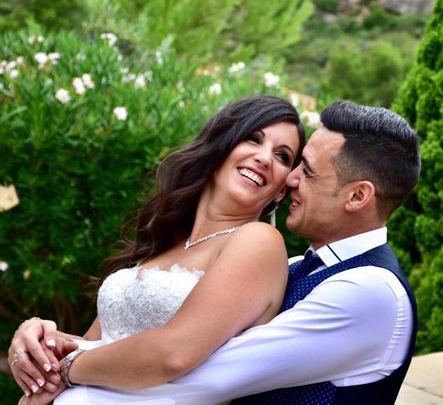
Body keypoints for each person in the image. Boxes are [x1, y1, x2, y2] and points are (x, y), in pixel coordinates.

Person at [10, 100, 420, 405]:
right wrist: (36, 343)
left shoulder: (368, 291)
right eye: (254, 139)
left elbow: (195, 370)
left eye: (300, 166)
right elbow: (122, 345)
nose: (291, 179)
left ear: (357, 196)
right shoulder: (302, 269)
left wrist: (62, 370)